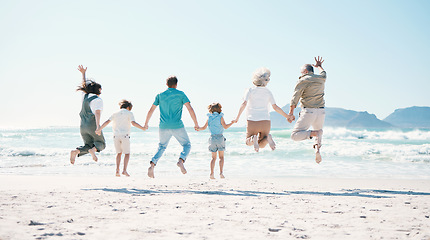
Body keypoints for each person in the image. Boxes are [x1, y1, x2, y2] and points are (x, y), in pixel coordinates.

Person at [143, 75, 199, 178]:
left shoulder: (160, 95)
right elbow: (190, 109)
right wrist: (196, 124)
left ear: (166, 84)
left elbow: (151, 110)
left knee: (162, 147)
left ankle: (152, 164)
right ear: (176, 84)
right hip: (177, 125)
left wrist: (146, 123)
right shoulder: (181, 94)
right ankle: (181, 160)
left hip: (163, 126)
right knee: (187, 145)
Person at [233, 67, 291, 152]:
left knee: (248, 141)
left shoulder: (250, 90)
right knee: (262, 145)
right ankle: (268, 138)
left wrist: (237, 118)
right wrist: (287, 116)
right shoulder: (268, 92)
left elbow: (244, 104)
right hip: (265, 121)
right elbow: (275, 107)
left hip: (252, 120)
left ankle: (253, 138)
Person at [288, 56, 326, 163]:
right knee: (318, 134)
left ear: (305, 71)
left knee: (294, 135)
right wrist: (320, 66)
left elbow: (295, 98)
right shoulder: (321, 79)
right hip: (321, 111)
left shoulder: (303, 80)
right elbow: (324, 73)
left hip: (309, 111)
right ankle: (317, 149)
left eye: (301, 72)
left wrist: (291, 113)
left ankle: (314, 133)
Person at [95, 100, 146, 177]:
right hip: (125, 135)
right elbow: (133, 123)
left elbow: (107, 122)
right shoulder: (129, 113)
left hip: (116, 136)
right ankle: (124, 170)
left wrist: (99, 129)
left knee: (119, 153)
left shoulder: (115, 113)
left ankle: (117, 170)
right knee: (127, 153)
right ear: (128, 107)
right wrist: (142, 128)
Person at [70, 65, 106, 164]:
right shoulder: (97, 100)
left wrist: (83, 74)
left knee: (88, 144)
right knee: (101, 144)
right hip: (92, 125)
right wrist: (98, 126)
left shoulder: (84, 96)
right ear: (98, 90)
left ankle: (76, 151)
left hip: (82, 126)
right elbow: (97, 113)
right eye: (100, 89)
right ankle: (93, 151)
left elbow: (84, 85)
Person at [197, 103, 235, 179]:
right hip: (220, 138)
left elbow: (204, 128)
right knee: (221, 157)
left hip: (212, 138)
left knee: (213, 158)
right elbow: (226, 127)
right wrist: (232, 122)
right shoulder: (220, 117)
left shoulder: (209, 118)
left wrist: (198, 128)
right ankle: (221, 173)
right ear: (219, 109)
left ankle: (211, 174)